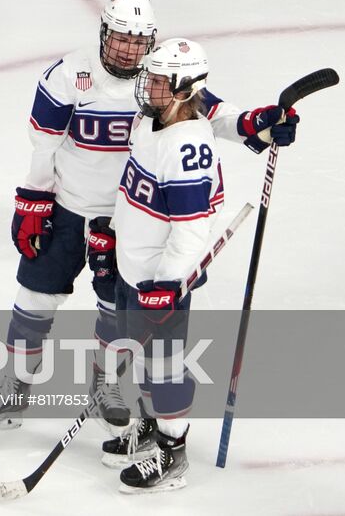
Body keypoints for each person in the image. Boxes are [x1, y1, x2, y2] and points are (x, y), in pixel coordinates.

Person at [0, 0, 300, 433]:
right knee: (34, 298)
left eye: (138, 40)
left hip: (127, 221)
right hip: (67, 209)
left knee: (114, 312)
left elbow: (209, 115)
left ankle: (106, 386)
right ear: (104, 33)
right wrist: (32, 200)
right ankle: (14, 384)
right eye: (120, 37)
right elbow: (43, 146)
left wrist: (258, 122)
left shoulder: (160, 78)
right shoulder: (68, 75)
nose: (128, 49)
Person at [107, 38, 296, 493]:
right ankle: (150, 426)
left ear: (182, 88)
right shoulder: (152, 118)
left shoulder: (188, 147)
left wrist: (169, 284)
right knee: (143, 357)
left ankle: (173, 455)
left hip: (159, 277)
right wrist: (109, 233)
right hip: (133, 267)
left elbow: (191, 230)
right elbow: (133, 192)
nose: (145, 87)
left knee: (165, 368)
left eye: (155, 81)